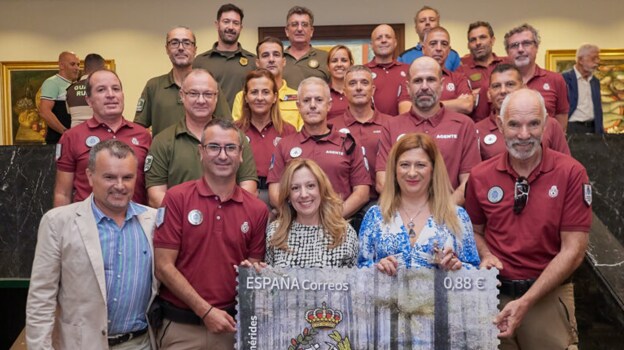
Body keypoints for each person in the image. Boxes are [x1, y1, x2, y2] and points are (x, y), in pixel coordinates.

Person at [464, 88, 591, 349]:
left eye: (533, 124)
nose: (524, 135)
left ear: (546, 124)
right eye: (514, 124)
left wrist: (527, 301)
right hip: (494, 299)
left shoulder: (571, 173)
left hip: (547, 298)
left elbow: (574, 250)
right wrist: (486, 254)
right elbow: (474, 231)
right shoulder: (480, 175)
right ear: (500, 125)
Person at [27, 140, 158, 350]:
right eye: (109, 177)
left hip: (140, 344)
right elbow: (41, 297)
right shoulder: (58, 222)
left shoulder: (154, 221)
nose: (119, 185)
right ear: (90, 176)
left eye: (127, 177)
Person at [154, 119, 269, 350]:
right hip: (181, 328)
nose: (223, 156)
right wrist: (205, 311)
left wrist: (256, 272)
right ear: (201, 152)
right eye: (214, 147)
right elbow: (163, 266)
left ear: (241, 154)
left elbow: (251, 270)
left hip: (231, 329)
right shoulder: (177, 199)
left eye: (230, 148)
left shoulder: (257, 210)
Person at [359, 133, 480, 274]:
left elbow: (475, 274)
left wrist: (457, 267)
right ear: (394, 169)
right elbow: (360, 271)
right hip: (386, 296)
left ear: (433, 169)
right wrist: (377, 268)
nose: (412, 173)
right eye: (404, 165)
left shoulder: (457, 216)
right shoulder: (375, 216)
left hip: (440, 295)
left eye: (420, 165)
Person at [145, 69, 257, 208]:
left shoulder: (237, 137)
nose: (201, 100)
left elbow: (249, 187)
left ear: (216, 97)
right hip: (180, 224)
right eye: (193, 93)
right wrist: (191, 217)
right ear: (182, 95)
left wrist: (222, 216)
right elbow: (155, 195)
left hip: (228, 223)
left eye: (208, 94)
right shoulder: (162, 141)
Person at [376, 57, 480, 205]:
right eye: (418, 81)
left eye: (431, 79)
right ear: (408, 87)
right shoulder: (391, 126)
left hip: (448, 217)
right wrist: (412, 214)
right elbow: (382, 182)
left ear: (442, 84)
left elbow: (468, 182)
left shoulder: (464, 125)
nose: (424, 87)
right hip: (403, 217)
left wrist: (441, 213)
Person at [268, 77, 371, 219]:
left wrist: (333, 219)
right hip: (295, 226)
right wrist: (297, 218)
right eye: (306, 100)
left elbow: (362, 191)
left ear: (329, 105)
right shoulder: (284, 145)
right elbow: (274, 191)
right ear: (298, 106)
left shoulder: (348, 144)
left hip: (339, 224)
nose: (312, 105)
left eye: (318, 100)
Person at [54, 69, 151, 207]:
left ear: (122, 95)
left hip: (134, 223)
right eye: (101, 90)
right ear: (89, 100)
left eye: (116, 89)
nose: (110, 95)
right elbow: (62, 193)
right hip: (87, 224)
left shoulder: (143, 135)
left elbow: (151, 188)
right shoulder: (71, 137)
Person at [134, 26, 230, 136]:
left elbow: (226, 126)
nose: (180, 48)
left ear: (195, 49)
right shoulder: (153, 86)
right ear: (167, 49)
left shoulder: (210, 85)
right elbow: (138, 129)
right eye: (174, 43)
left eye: (187, 43)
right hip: (165, 152)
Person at [266, 159, 358, 267]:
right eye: (295, 188)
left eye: (310, 186)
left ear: (321, 190)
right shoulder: (275, 232)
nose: (304, 194)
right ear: (288, 196)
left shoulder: (344, 233)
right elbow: (269, 281)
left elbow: (354, 283)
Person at [477, 64, 570, 160]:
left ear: (524, 87)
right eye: (496, 86)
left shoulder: (550, 124)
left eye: (510, 84)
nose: (503, 91)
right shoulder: (477, 130)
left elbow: (565, 166)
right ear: (489, 94)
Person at [235, 69, 296, 205]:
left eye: (266, 92)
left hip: (280, 199)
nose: (260, 98)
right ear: (245, 97)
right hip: (243, 197)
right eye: (254, 92)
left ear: (275, 97)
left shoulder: (288, 131)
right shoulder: (234, 130)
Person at [331, 65, 391, 200]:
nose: (359, 87)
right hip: (342, 206)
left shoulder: (391, 124)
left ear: (373, 90)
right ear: (345, 91)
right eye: (352, 83)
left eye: (364, 82)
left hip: (384, 203)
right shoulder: (331, 127)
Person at [504, 24, 569, 131]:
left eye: (526, 43)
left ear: (536, 47)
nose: (520, 49)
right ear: (507, 52)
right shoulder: (498, 83)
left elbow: (561, 121)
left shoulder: (556, 80)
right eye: (514, 45)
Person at [231, 36, 303, 129]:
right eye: (265, 55)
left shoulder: (298, 97)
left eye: (276, 55)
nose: (271, 59)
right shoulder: (242, 96)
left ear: (284, 61)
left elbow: (302, 133)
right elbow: (238, 132)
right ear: (257, 62)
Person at [192, 4, 256, 107]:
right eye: (226, 22)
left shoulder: (253, 61)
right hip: (210, 122)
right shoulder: (200, 61)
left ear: (241, 28)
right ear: (217, 24)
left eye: (235, 23)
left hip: (243, 122)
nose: (231, 27)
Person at [457, 21, 509, 122]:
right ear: (468, 45)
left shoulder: (508, 64)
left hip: (509, 123)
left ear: (492, 40)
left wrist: (480, 92)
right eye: (473, 40)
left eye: (482, 37)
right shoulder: (461, 71)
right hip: (477, 127)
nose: (478, 43)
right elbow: (461, 102)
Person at [422, 26, 474, 115]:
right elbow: (407, 109)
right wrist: (455, 103)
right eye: (433, 43)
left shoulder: (458, 78)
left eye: (444, 44)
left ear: (449, 50)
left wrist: (424, 107)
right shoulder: (412, 78)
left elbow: (467, 105)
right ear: (423, 49)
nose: (439, 48)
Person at [366, 24, 412, 116]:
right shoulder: (363, 72)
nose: (383, 40)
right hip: (371, 128)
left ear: (395, 43)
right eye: (379, 38)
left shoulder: (410, 70)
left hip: (403, 127)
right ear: (371, 45)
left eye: (388, 37)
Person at [397, 6, 461, 71]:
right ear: (416, 28)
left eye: (432, 20)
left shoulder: (453, 55)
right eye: (422, 21)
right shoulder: (404, 57)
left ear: (439, 25)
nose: (427, 23)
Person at [282, 6, 330, 88]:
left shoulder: (326, 58)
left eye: (304, 25)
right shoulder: (277, 58)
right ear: (287, 31)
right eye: (294, 24)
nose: (300, 29)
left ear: (311, 31)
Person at [39, 51, 80, 144]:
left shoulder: (76, 84)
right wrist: (66, 132)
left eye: (78, 64)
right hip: (58, 141)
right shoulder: (52, 83)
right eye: (72, 64)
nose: (77, 68)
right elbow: (44, 112)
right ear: (61, 65)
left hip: (74, 140)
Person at [563, 44, 604, 134]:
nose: (597, 62)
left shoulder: (595, 81)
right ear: (581, 60)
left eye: (598, 58)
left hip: (593, 129)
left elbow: (598, 109)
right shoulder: (563, 79)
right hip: (572, 128)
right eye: (594, 58)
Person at [65, 53, 105, 127]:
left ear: (85, 68)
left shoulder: (70, 89)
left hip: (76, 135)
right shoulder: (103, 88)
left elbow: (69, 113)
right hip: (98, 133)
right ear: (102, 69)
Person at [327, 45, 354, 120]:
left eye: (344, 60)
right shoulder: (322, 94)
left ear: (351, 65)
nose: (339, 64)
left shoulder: (359, 92)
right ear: (328, 67)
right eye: (334, 61)